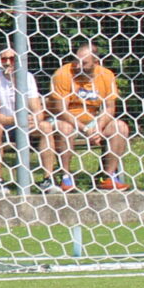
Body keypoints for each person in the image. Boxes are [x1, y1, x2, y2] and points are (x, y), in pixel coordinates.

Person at [49, 40, 131, 190]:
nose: (78, 66)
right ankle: (65, 176)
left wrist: (98, 127)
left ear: (96, 62)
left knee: (120, 127)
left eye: (84, 63)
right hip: (65, 121)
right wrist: (85, 130)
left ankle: (107, 176)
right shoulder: (63, 73)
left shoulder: (106, 75)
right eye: (76, 61)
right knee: (64, 129)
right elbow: (61, 110)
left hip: (93, 122)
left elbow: (109, 108)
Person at [0, 46, 47, 188]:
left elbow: (38, 111)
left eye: (12, 59)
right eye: (4, 59)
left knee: (45, 126)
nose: (8, 63)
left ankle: (48, 179)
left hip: (21, 125)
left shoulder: (27, 77)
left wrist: (34, 120)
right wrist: (16, 120)